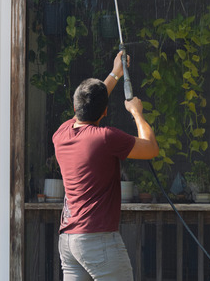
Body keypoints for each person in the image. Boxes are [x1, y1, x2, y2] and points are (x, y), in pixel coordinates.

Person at [52, 51, 159, 281]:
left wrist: (115, 74)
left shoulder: (61, 133)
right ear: (106, 111)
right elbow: (151, 148)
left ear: (75, 108)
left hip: (69, 240)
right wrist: (137, 113)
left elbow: (90, 105)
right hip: (97, 239)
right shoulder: (105, 138)